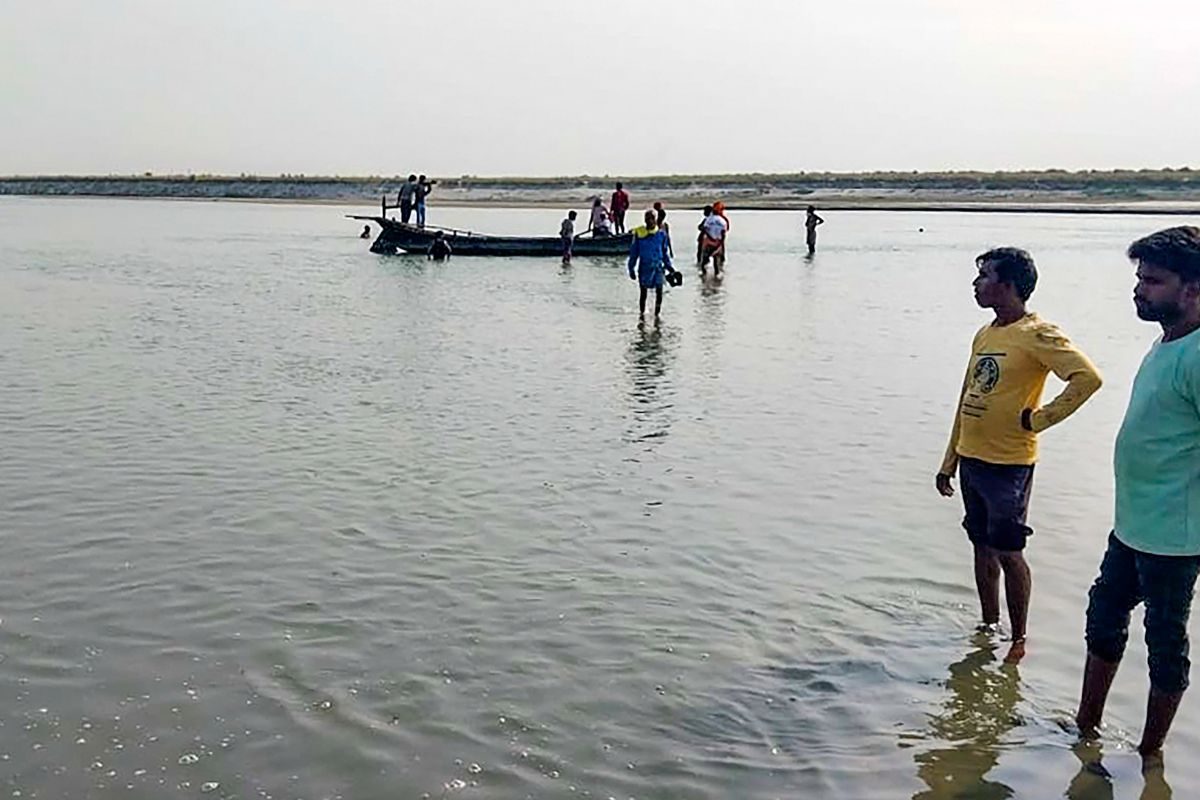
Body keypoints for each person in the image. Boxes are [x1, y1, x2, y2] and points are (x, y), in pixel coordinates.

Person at [937, 247, 1102, 664]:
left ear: (1008, 286)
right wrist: (948, 460)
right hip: (971, 457)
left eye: (984, 276)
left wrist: (1040, 419)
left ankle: (1019, 637)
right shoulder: (986, 333)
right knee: (980, 546)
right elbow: (966, 396)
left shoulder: (1037, 333)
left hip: (1009, 463)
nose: (975, 284)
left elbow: (1087, 378)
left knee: (1010, 552)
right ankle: (988, 624)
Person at [1075, 226, 1200, 761]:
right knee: (1103, 616)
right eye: (1139, 277)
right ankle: (1086, 730)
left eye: (1153, 280)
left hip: (1175, 537)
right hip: (1133, 526)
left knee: (1164, 646)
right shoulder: (1170, 338)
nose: (1139, 289)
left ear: (1193, 288)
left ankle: (1150, 756)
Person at [628, 209, 673, 321]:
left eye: (652, 218)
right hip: (644, 267)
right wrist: (631, 268)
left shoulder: (661, 235)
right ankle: (642, 315)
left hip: (658, 267)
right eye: (647, 218)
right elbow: (634, 253)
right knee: (643, 293)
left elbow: (665, 254)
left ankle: (657, 315)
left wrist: (671, 268)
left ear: (655, 219)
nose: (649, 220)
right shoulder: (639, 234)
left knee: (659, 292)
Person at [699, 204, 729, 272]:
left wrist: (709, 238)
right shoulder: (723, 221)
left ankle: (704, 277)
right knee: (717, 263)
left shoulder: (709, 219)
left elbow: (704, 229)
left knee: (703, 263)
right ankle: (718, 277)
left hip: (708, 243)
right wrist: (720, 243)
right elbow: (724, 233)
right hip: (718, 242)